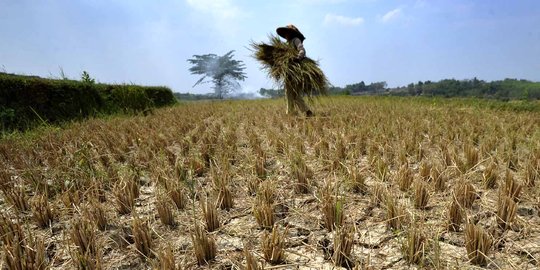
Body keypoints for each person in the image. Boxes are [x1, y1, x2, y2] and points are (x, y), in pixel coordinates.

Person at [276, 25, 314, 117]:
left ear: (291, 33)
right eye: (285, 33)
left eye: (287, 32)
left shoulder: (296, 40)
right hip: (288, 71)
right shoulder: (286, 44)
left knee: (293, 93)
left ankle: (302, 111)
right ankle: (295, 112)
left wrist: (298, 57)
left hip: (295, 71)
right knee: (289, 92)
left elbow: (301, 49)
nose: (286, 35)